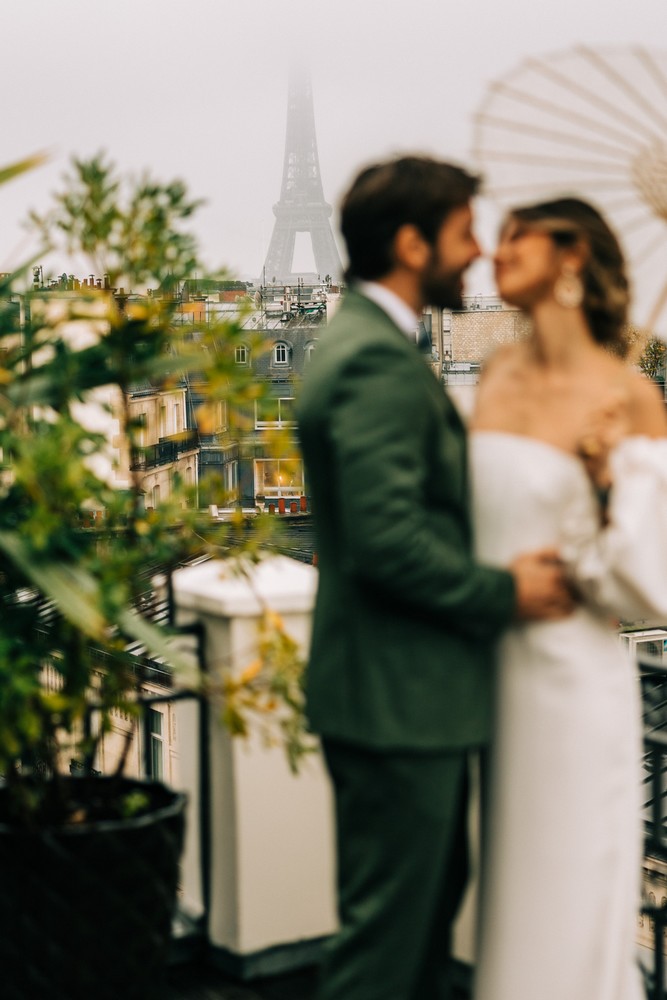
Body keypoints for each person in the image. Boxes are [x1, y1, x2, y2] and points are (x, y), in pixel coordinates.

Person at [295, 156, 573, 1000]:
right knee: (386, 950)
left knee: (410, 933)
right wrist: (505, 592)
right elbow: (386, 541)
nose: (476, 253)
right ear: (412, 244)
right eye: (462, 234)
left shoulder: (364, 343)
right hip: (398, 704)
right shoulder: (376, 362)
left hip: (396, 696)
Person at [470, 197, 667, 1000]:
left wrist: (602, 485)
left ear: (571, 258)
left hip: (571, 677)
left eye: (520, 235)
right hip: (486, 667)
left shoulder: (629, 398)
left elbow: (650, 582)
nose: (497, 248)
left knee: (567, 890)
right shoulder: (491, 376)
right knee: (504, 893)